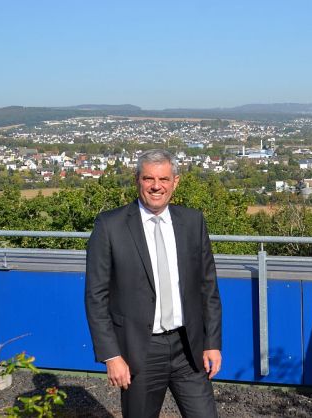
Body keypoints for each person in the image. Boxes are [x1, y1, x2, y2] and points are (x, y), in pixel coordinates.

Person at [85, 149, 222, 418]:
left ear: (175, 182)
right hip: (140, 352)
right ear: (137, 180)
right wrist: (112, 356)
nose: (156, 186)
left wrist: (212, 342)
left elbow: (208, 288)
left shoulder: (193, 222)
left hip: (188, 348)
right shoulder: (110, 226)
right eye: (148, 178)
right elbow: (96, 296)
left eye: (164, 179)